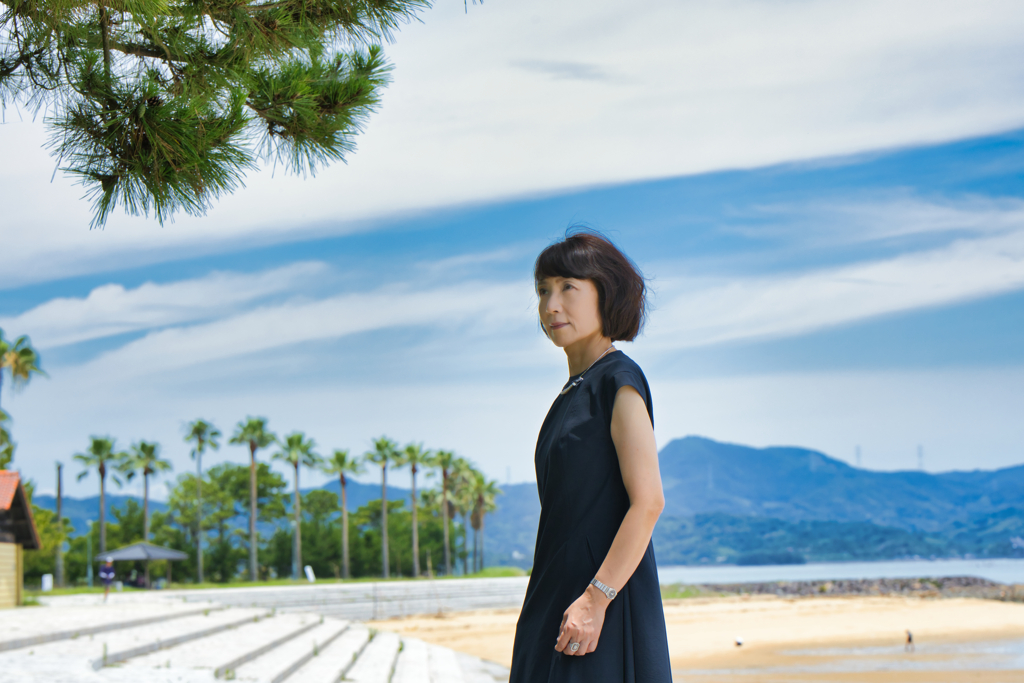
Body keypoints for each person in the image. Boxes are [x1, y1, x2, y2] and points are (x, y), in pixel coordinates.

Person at [510, 231, 672, 683]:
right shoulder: (573, 390)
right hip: (554, 594)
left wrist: (596, 599)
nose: (550, 305)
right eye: (543, 290)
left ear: (606, 292)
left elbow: (649, 501)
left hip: (599, 604)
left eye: (567, 287)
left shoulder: (618, 380)